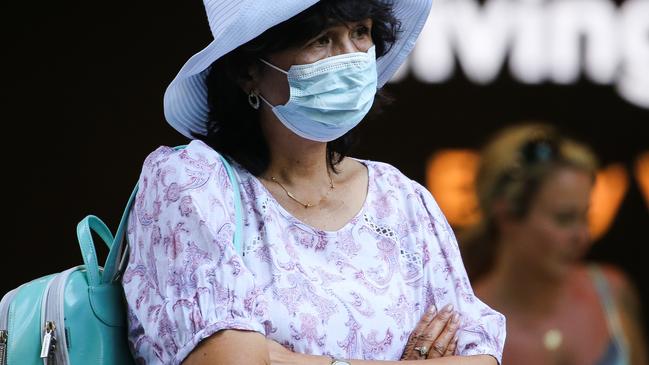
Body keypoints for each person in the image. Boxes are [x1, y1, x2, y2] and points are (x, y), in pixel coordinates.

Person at [121, 1, 505, 364]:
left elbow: (480, 355)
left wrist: (285, 358)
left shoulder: (403, 199)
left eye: (360, 32)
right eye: (320, 40)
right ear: (247, 71)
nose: (349, 57)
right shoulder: (192, 181)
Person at [460, 123, 649, 365]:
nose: (582, 235)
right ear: (506, 216)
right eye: (564, 219)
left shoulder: (611, 293)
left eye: (586, 217)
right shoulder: (467, 322)